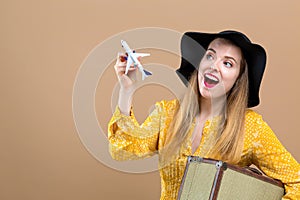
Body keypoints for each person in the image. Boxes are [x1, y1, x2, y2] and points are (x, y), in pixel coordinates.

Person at [108, 30, 300, 199]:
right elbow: (122, 151)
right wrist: (127, 89)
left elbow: (297, 183)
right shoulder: (167, 114)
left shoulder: (250, 127)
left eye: (227, 63)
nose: (213, 66)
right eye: (210, 56)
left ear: (238, 78)